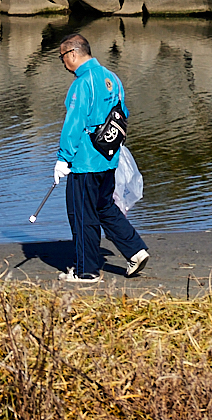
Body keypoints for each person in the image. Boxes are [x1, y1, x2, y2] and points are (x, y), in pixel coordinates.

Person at [52, 32, 148, 282]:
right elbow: (122, 113)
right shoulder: (112, 78)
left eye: (62, 57)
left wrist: (63, 158)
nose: (63, 63)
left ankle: (87, 270)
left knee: (82, 214)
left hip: (85, 161)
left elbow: (73, 123)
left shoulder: (82, 83)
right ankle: (135, 250)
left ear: (72, 54)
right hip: (109, 158)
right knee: (104, 206)